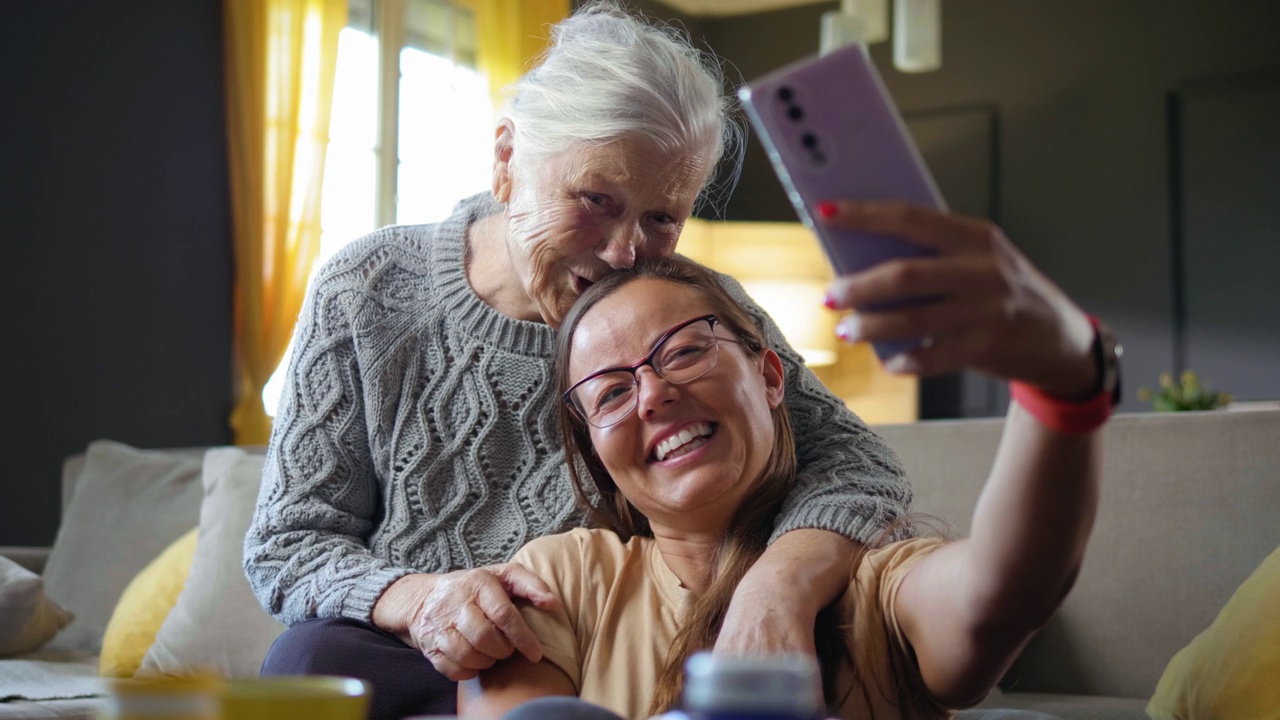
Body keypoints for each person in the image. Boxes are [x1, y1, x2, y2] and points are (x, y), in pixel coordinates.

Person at [244, 5, 913, 719]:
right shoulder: (369, 287)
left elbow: (862, 465)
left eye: (662, 217)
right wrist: (422, 600)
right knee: (305, 662)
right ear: (507, 160)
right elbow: (290, 541)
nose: (627, 252)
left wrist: (774, 587)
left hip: (594, 656)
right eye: (597, 200)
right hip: (419, 651)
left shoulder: (685, 308)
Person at [459, 213, 1116, 719]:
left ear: (771, 377)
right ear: (597, 455)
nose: (654, 395)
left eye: (685, 352)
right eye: (611, 392)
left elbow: (998, 594)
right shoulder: (555, 584)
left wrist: (1063, 382)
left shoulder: (870, 578)